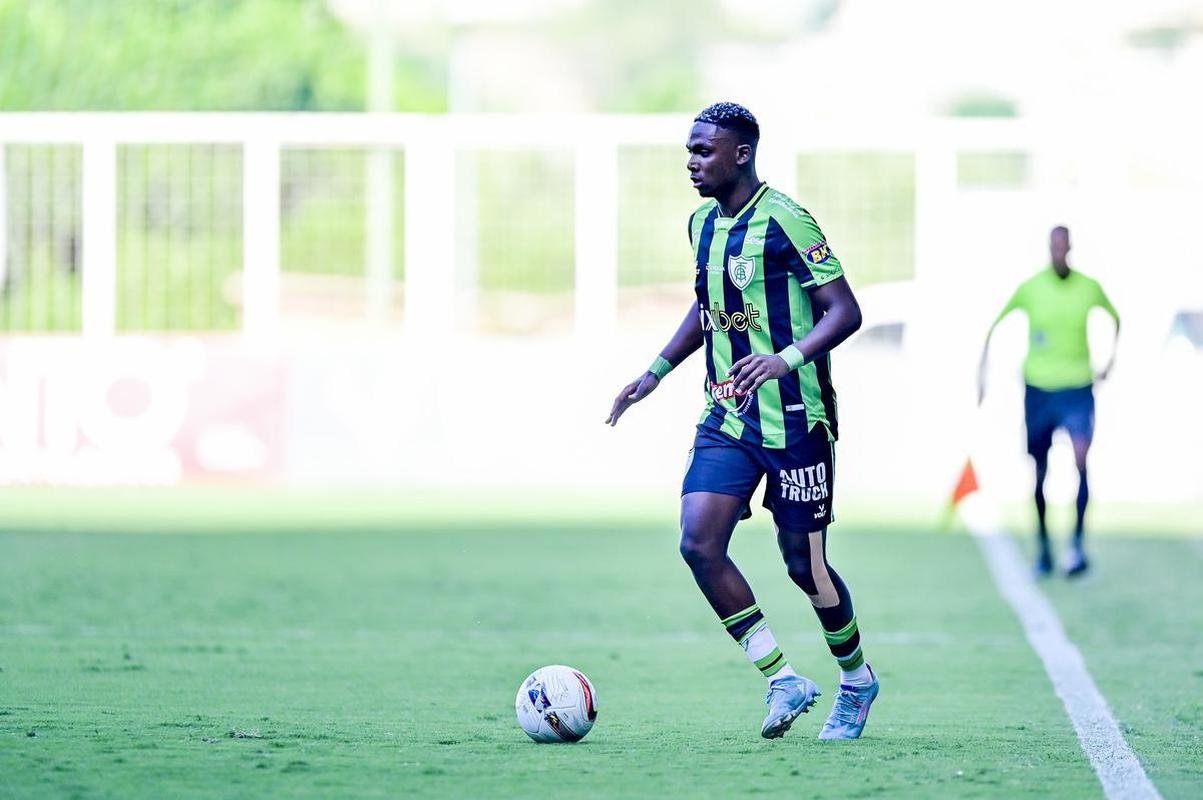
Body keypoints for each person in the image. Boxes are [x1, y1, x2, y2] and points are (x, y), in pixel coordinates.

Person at [605, 102, 877, 740]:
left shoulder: (785, 219)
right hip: (727, 413)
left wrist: (786, 359)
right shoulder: (701, 222)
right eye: (690, 152)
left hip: (796, 421)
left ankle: (857, 682)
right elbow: (709, 308)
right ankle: (783, 680)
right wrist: (655, 371)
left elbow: (846, 311)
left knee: (803, 567)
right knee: (698, 542)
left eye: (704, 152)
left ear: (741, 154)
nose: (693, 164)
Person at [978, 226, 1120, 577]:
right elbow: (994, 326)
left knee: (1081, 459)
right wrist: (981, 376)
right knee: (1039, 470)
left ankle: (1076, 546)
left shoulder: (1088, 287)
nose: (1059, 252)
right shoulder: (1032, 288)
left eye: (1063, 246)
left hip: (1077, 389)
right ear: (1049, 249)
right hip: (1039, 390)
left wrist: (1108, 365)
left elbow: (1115, 318)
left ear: (1070, 248)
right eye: (1054, 246)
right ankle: (1043, 548)